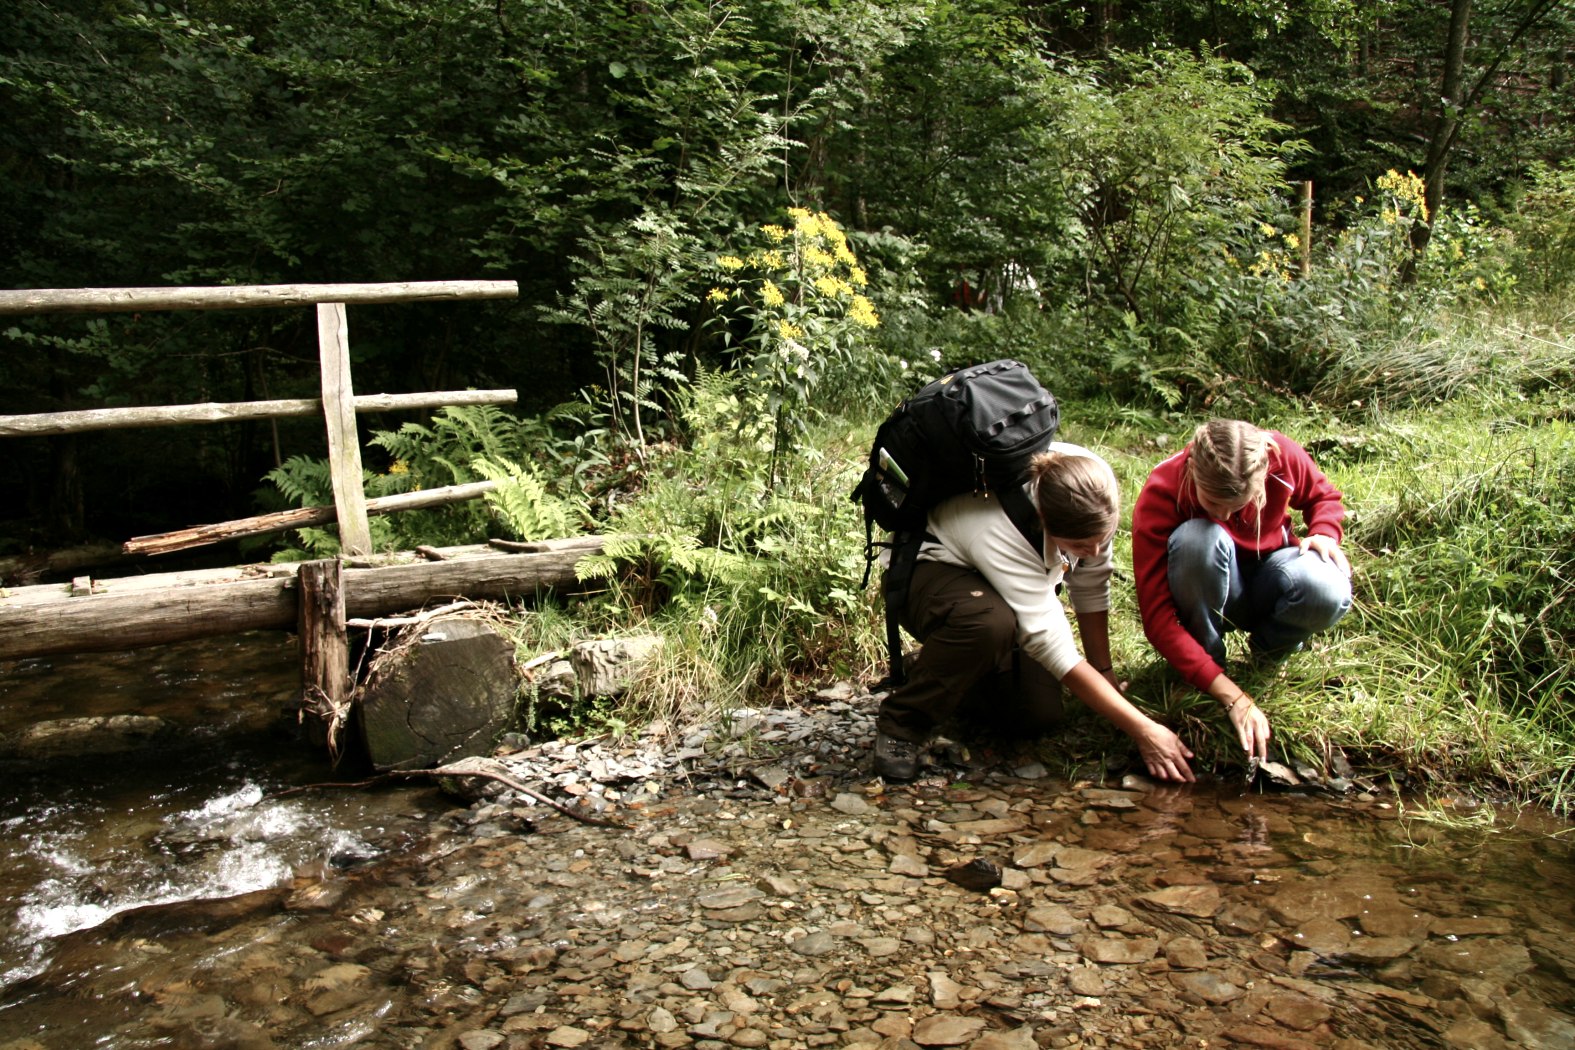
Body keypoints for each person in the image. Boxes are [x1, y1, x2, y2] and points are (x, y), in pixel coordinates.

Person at [873, 443, 1198, 783]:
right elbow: (1053, 647)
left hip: (991, 580)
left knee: (1037, 713)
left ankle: (937, 666)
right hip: (928, 571)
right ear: (1044, 522)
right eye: (1082, 547)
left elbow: (1090, 584)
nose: (1096, 551)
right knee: (987, 623)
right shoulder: (999, 526)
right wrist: (1144, 730)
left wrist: (1104, 673)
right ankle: (901, 723)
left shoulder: (1093, 487)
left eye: (1101, 539)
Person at [1131, 419, 1353, 766]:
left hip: (1273, 577)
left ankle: (1268, 657)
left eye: (1237, 505)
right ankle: (1208, 665)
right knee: (1198, 540)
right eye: (1212, 503)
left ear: (1262, 475)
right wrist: (1231, 697)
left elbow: (1323, 496)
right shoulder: (1163, 488)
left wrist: (1325, 532)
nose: (1223, 514)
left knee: (1327, 587)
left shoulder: (1280, 455)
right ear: (1192, 470)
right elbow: (1157, 618)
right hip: (1207, 583)